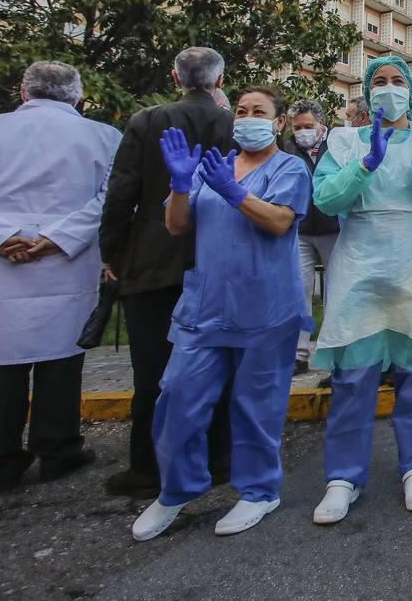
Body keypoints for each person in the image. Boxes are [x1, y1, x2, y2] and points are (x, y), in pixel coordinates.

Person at [131, 85, 311, 541]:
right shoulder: (212, 166)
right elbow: (176, 224)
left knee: (255, 407)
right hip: (206, 307)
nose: (249, 117)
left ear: (278, 122)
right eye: (243, 110)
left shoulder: (289, 167)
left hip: (266, 309)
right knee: (176, 399)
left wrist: (233, 192)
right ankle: (175, 490)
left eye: (260, 111)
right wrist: (177, 184)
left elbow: (279, 221)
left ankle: (258, 491)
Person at [0, 62, 121, 490]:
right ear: (77, 96)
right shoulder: (104, 136)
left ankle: (1, 460)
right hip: (64, 260)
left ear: (23, 91)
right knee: (61, 358)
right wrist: (57, 238)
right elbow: (110, 199)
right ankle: (58, 449)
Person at [307, 56, 412, 523]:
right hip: (360, 263)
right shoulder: (342, 140)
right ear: (367, 90)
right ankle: (342, 477)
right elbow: (327, 198)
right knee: (353, 376)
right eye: (380, 80)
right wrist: (366, 164)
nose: (389, 88)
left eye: (398, 81)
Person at [99, 47, 235, 499]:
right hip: (216, 256)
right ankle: (218, 458)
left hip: (153, 258)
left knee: (152, 369)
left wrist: (112, 253)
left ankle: (147, 466)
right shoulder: (231, 123)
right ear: (220, 80)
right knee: (216, 362)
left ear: (175, 78)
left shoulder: (146, 121)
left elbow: (121, 193)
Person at [283, 99, 340, 375]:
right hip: (301, 229)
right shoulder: (288, 148)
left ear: (321, 123)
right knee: (298, 292)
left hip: (334, 228)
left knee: (336, 292)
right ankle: (299, 355)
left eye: (308, 126)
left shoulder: (338, 144)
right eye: (297, 127)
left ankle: (333, 354)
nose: (302, 131)